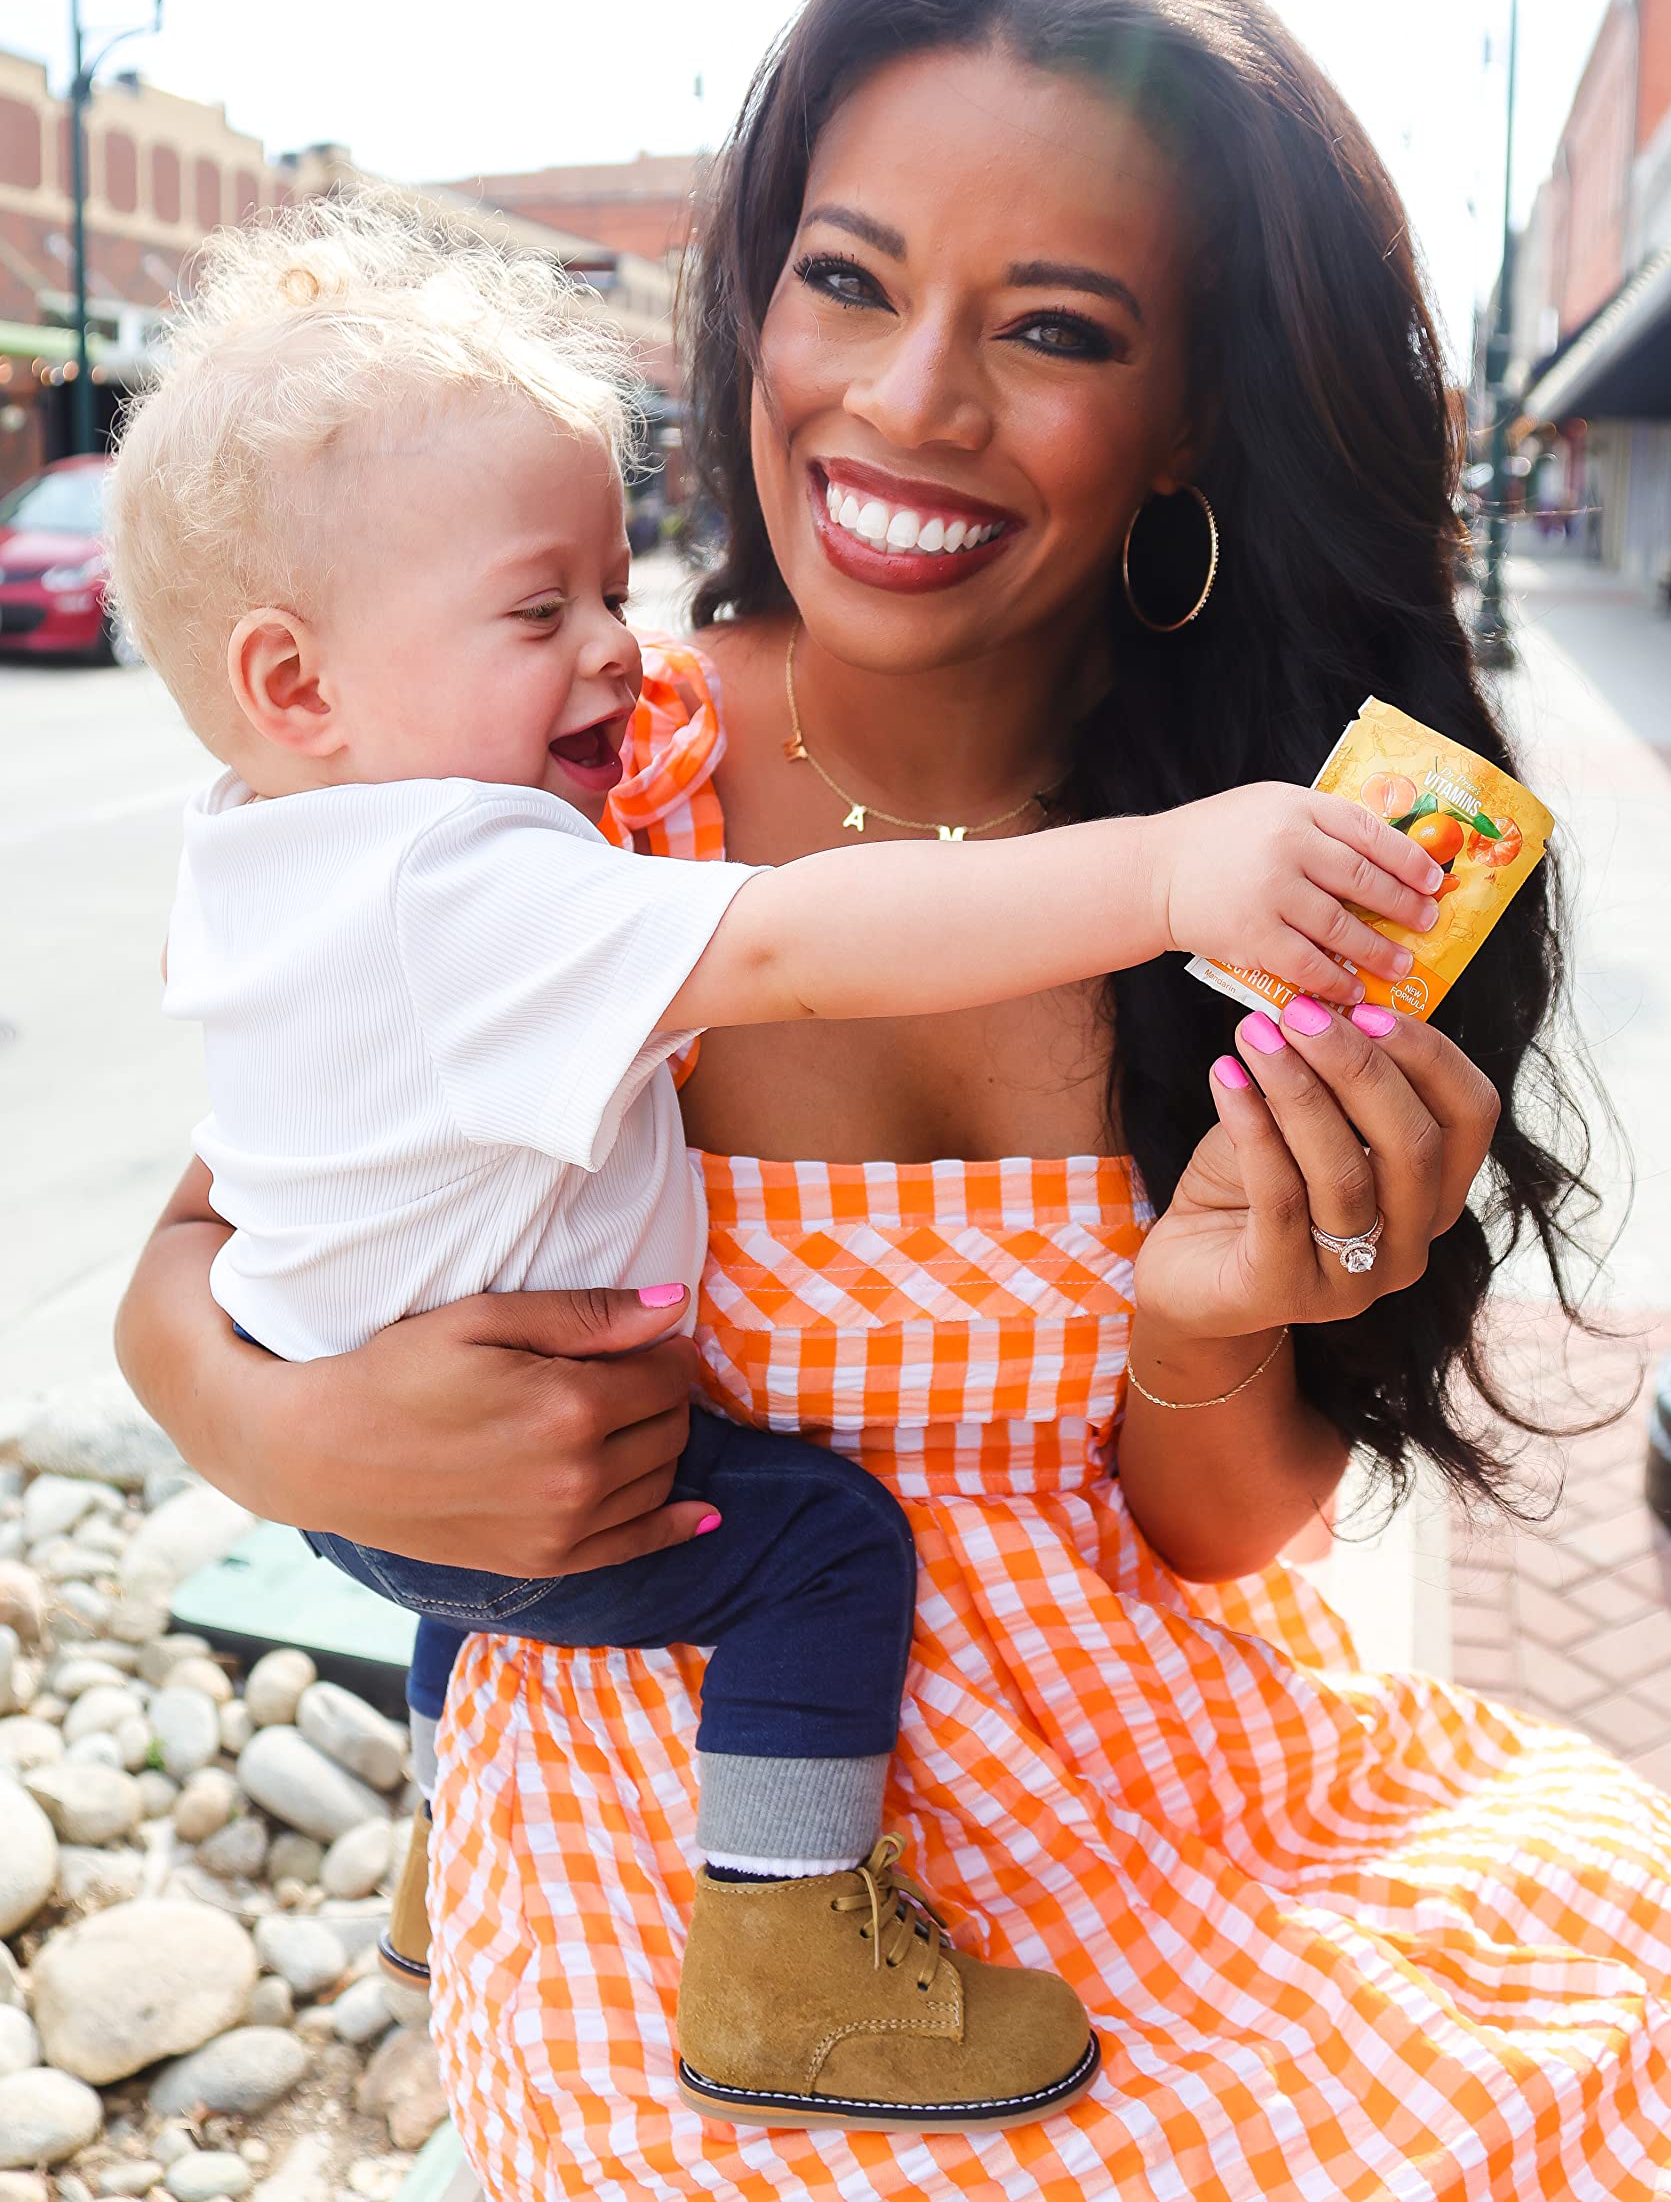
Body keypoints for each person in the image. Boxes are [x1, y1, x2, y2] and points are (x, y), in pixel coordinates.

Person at [116, 0, 1671, 2196]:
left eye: (1050, 326)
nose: (905, 400)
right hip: (691, 1887)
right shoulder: (581, 775)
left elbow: (1216, 1526)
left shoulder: (1290, 874)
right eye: (844, 278)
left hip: (1182, 1798)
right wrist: (300, 1437)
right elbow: (211, 1230)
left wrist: (1207, 1311)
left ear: (1186, 416)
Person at [107, 192, 1441, 2134]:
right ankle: (789, 1941)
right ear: (295, 683)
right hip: (534, 1583)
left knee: (467, 1588)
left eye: (1051, 324)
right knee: (818, 1542)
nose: (610, 647)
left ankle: (427, 1842)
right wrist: (1167, 869)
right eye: (535, 606)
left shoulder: (275, 839)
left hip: (465, 1533)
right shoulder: (478, 865)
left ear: (1189, 407)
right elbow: (797, 942)